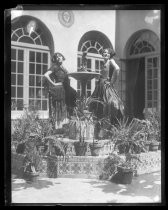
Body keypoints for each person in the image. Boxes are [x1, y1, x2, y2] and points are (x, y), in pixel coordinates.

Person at [89, 48, 124, 139]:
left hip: (105, 86)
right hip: (100, 86)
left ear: (110, 55)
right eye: (104, 52)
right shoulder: (104, 63)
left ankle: (107, 129)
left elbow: (117, 69)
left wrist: (112, 81)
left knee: (109, 104)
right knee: (96, 105)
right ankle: (98, 131)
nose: (105, 54)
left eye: (107, 53)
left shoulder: (110, 61)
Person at [43, 52, 77, 128]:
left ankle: (66, 125)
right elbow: (46, 75)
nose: (58, 58)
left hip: (66, 88)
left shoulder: (63, 67)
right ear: (55, 59)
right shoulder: (55, 67)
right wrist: (54, 84)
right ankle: (59, 126)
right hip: (60, 88)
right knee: (60, 106)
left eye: (60, 56)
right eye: (57, 57)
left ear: (62, 57)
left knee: (72, 97)